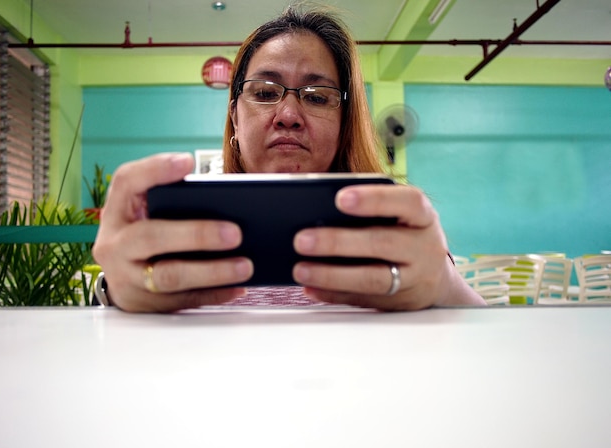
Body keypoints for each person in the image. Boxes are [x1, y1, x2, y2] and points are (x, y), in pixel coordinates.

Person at [92, 4, 485, 312]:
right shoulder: (180, 229)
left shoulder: (395, 230)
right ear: (234, 116)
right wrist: (114, 290)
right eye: (264, 93)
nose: (289, 115)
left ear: (344, 121)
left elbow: (483, 342)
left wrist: (445, 286)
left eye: (316, 97)